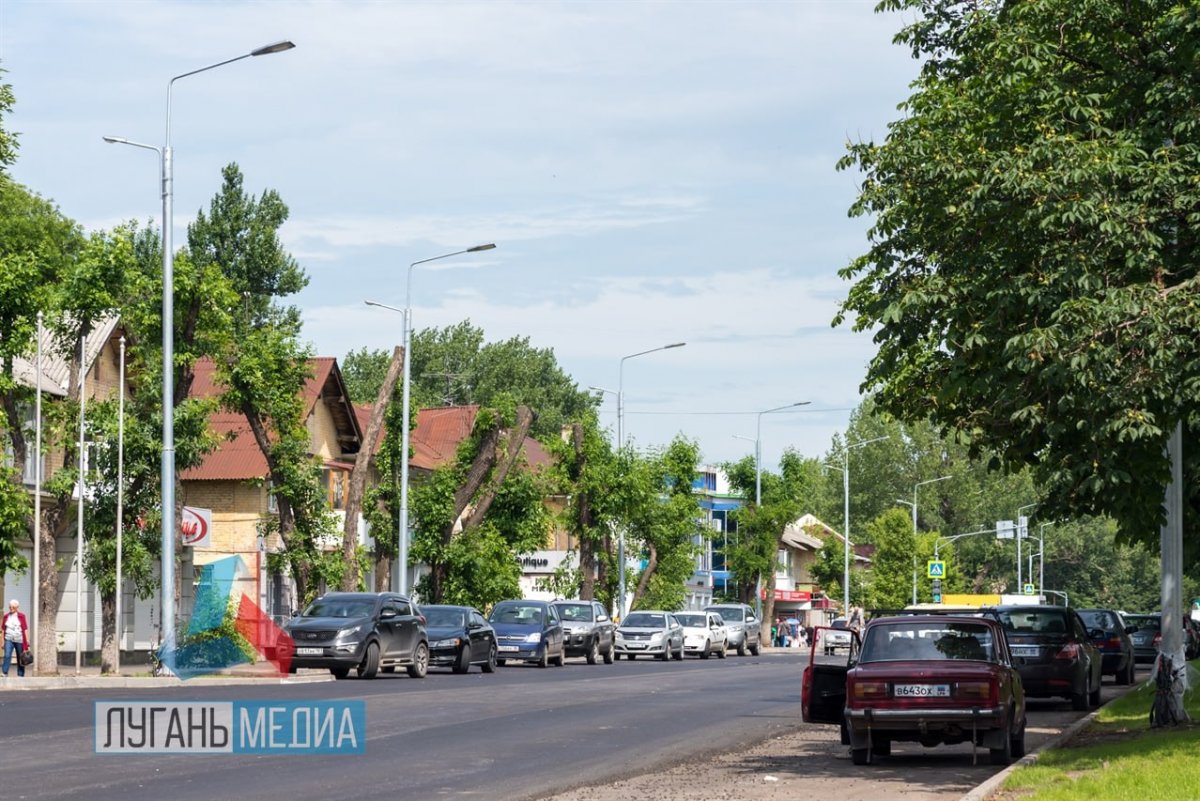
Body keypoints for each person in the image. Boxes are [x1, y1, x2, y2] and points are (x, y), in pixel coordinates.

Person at [2, 599, 30, 677]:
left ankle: (20, 675)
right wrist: (2, 642)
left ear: (17, 607)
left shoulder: (21, 616)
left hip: (19, 639)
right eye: (10, 607)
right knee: (7, 655)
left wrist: (27, 640)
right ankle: (4, 672)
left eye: (13, 607)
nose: (11, 608)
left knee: (20, 657)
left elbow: (25, 629)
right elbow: (3, 629)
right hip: (8, 639)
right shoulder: (6, 616)